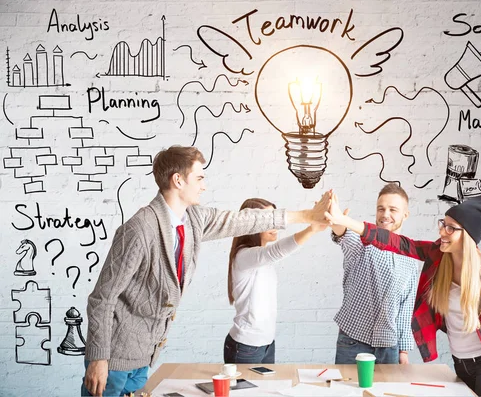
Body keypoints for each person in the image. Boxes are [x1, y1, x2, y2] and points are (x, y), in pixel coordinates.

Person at [82, 146, 329, 397]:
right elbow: (102, 298)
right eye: (199, 178)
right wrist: (98, 358)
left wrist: (307, 215)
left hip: (143, 356)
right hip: (113, 360)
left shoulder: (193, 220)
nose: (204, 186)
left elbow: (242, 220)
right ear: (178, 180)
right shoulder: (140, 228)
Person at [325, 193, 481, 396]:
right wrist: (344, 221)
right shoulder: (437, 256)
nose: (442, 231)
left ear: (468, 235)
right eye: (442, 224)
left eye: (450, 228)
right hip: (460, 363)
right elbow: (396, 242)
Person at [224, 198, 326, 364]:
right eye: (268, 220)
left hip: (267, 344)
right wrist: (311, 229)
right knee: (245, 391)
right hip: (246, 347)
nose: (275, 225)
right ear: (250, 225)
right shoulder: (244, 256)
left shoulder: (260, 258)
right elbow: (277, 251)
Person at [330, 184, 419, 364]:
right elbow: (344, 233)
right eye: (381, 209)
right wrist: (337, 219)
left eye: (393, 209)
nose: (385, 214)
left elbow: (405, 307)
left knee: (387, 392)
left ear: (405, 215)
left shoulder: (411, 257)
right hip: (353, 341)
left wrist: (404, 351)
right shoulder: (363, 242)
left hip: (389, 346)